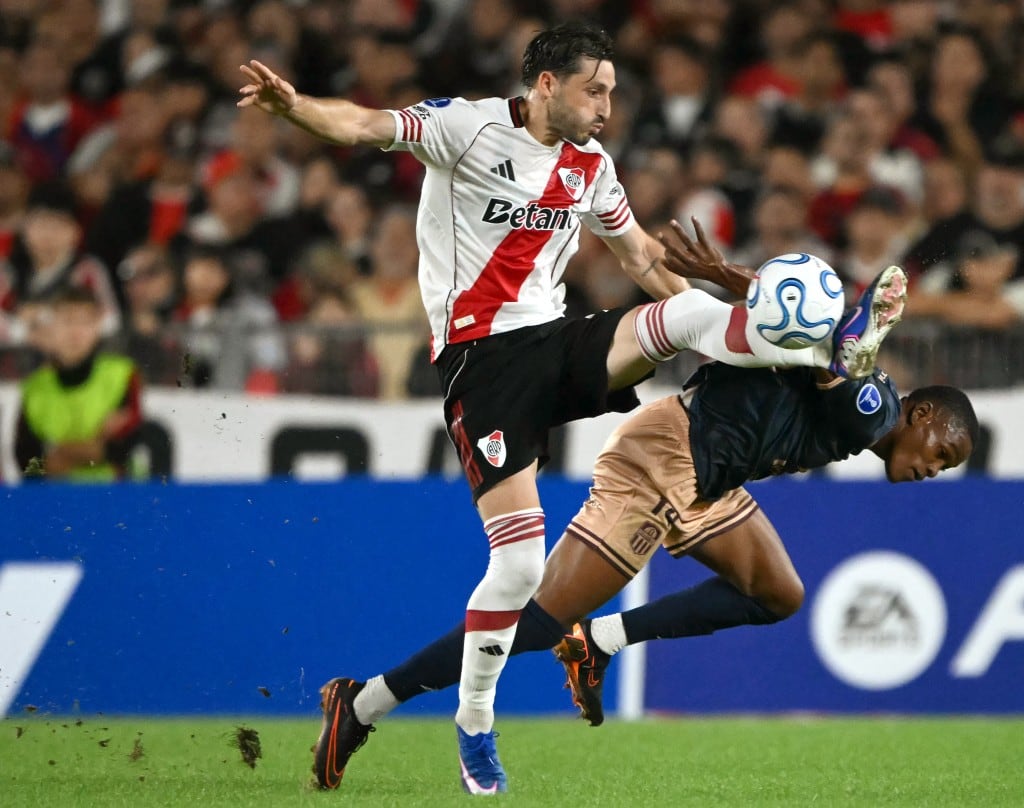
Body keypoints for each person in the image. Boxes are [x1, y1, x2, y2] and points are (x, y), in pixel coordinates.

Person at [238, 22, 904, 795]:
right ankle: (472, 720)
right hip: (482, 365)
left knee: (685, 316)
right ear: (546, 84)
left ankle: (819, 353)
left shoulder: (592, 166)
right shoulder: (468, 127)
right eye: (596, 90)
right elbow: (362, 123)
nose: (607, 108)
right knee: (520, 564)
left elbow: (643, 262)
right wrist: (295, 110)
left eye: (614, 92)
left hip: (556, 345)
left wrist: (728, 297)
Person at [306, 266, 975, 786]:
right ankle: (363, 703)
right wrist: (846, 345)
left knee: (778, 593)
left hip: (709, 477)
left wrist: (738, 279)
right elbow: (846, 376)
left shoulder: (869, 401)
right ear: (920, 418)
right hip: (669, 456)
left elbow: (802, 325)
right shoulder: (876, 408)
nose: (935, 468)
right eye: (942, 452)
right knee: (534, 622)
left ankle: (599, 640)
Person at [13, 286, 142, 481]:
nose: (75, 332)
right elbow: (27, 461)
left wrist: (60, 452)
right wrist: (92, 447)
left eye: (84, 322)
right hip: (55, 502)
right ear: (52, 327)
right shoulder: (34, 388)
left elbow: (128, 446)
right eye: (67, 321)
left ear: (98, 327)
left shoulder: (121, 374)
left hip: (116, 498)